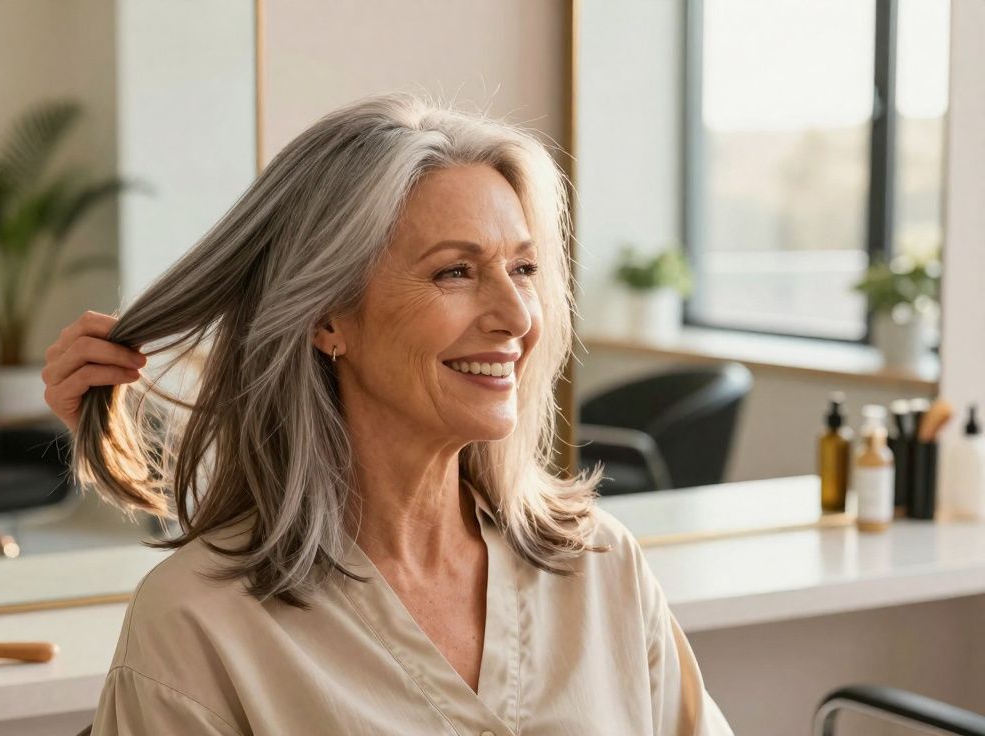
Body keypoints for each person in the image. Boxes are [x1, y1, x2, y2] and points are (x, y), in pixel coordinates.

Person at [43, 93, 733, 735]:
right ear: (326, 318)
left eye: (523, 269)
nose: (517, 316)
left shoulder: (602, 569)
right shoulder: (198, 622)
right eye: (455, 272)